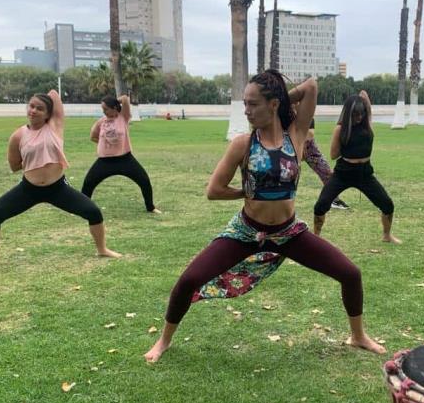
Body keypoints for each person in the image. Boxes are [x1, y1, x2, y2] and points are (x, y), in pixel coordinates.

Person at [144, 70, 386, 362]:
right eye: (245, 104)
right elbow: (214, 190)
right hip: (247, 232)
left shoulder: (296, 136)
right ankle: (164, 341)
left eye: (254, 104)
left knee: (351, 273)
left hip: (288, 233)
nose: (247, 111)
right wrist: (249, 191)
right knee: (188, 280)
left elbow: (311, 86)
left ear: (273, 104)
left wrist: (282, 98)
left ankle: (358, 335)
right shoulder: (242, 144)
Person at [0, 90, 121, 266]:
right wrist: (34, 161)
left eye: (39, 108)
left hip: (57, 188)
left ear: (48, 114)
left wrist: (44, 98)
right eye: (31, 106)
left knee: (93, 212)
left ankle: (102, 250)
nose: (33, 110)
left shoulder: (55, 126)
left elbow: (54, 94)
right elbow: (14, 165)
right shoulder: (18, 135)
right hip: (29, 189)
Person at [312, 91, 401, 244]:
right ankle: (316, 238)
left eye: (361, 114)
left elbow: (366, 101)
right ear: (348, 114)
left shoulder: (367, 125)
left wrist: (364, 101)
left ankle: (387, 235)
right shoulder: (340, 129)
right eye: (355, 115)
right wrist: (347, 144)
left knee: (387, 204)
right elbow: (333, 155)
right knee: (321, 205)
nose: (359, 118)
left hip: (365, 173)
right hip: (343, 173)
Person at [82, 95, 161, 213]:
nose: (104, 112)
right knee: (88, 183)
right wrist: (104, 144)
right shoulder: (101, 122)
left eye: (106, 109)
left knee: (144, 180)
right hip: (105, 161)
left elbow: (125, 98)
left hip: (125, 159)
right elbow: (93, 137)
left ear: (114, 107)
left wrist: (115, 101)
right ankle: (83, 208)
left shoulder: (123, 117)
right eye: (102, 109)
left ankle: (151, 207)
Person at [302, 118, 350, 210]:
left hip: (310, 149)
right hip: (290, 147)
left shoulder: (308, 116)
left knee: (327, 172)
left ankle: (334, 200)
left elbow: (310, 134)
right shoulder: (286, 114)